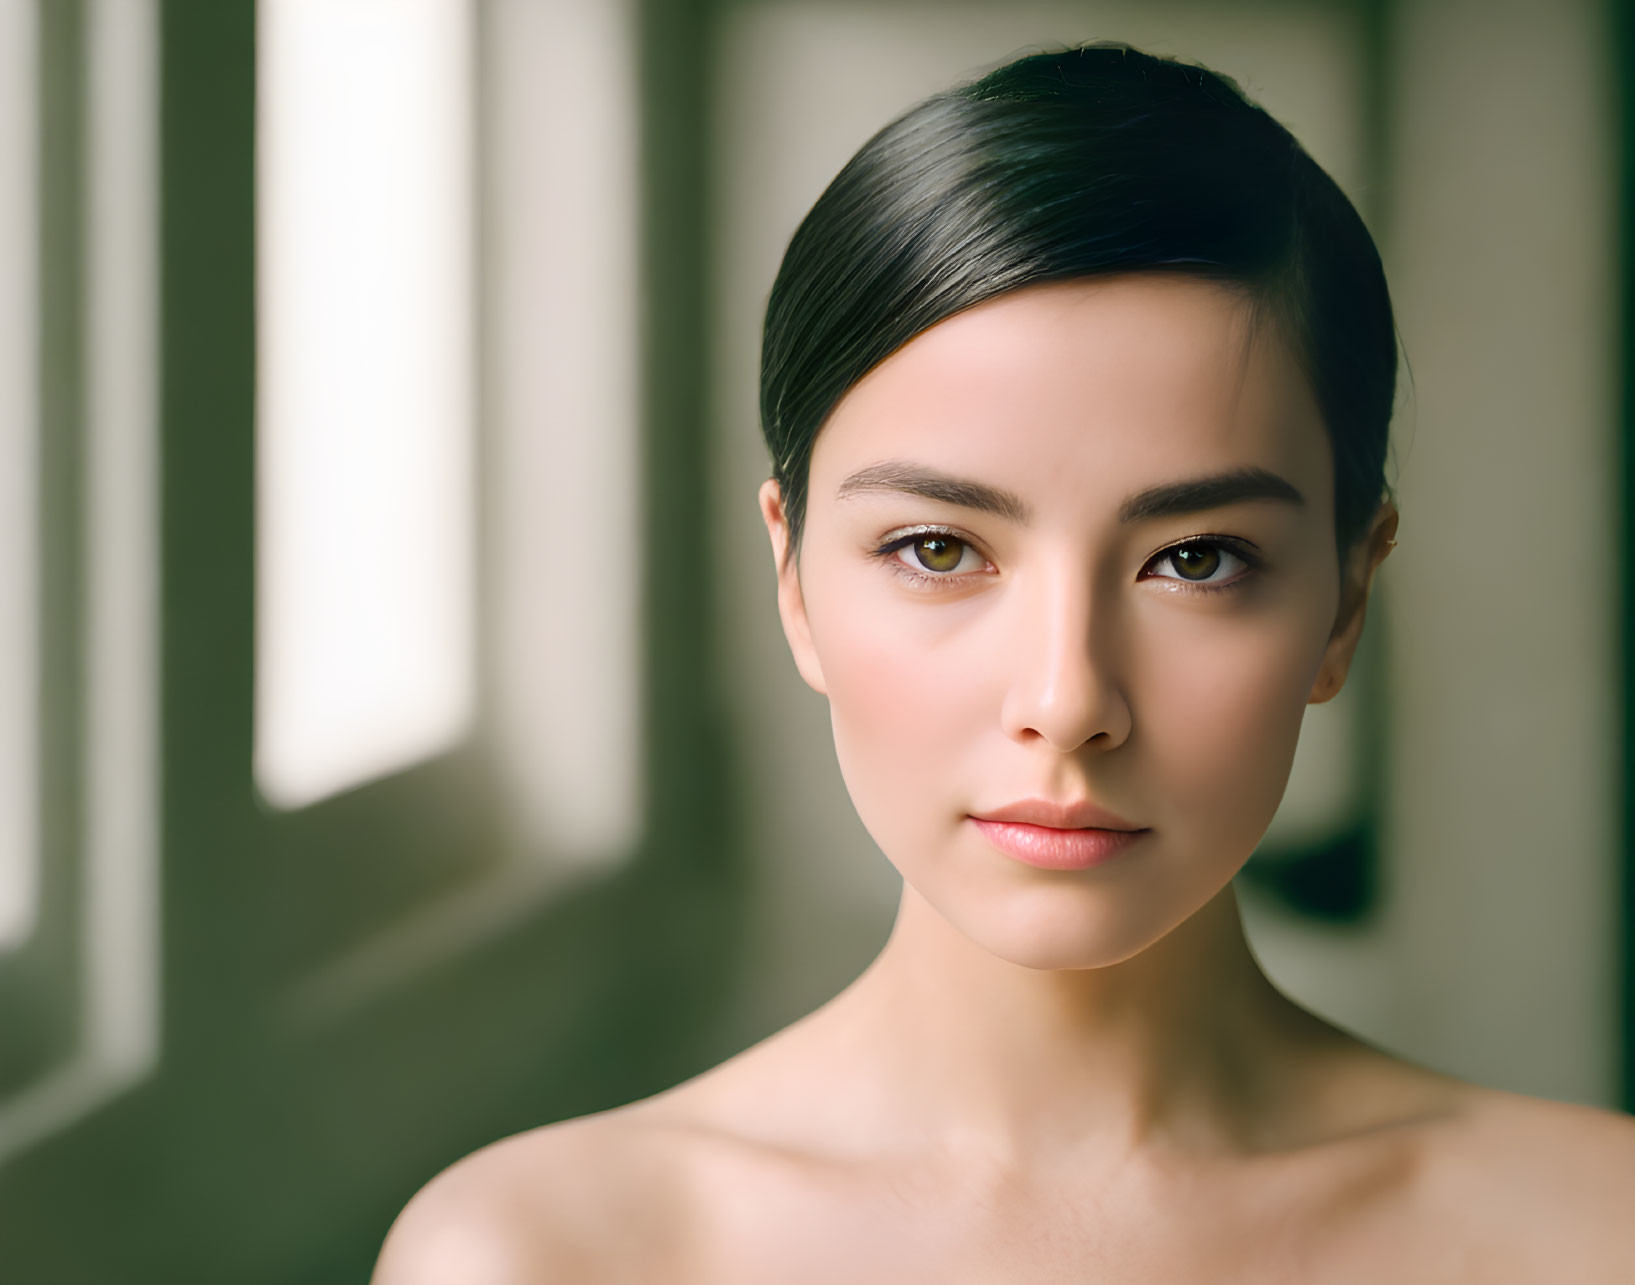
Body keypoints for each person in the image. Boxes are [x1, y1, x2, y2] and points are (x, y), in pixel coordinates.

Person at [372, 40, 1635, 1282]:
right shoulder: (542, 1256)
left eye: (1196, 560)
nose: (1067, 700)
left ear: (1346, 597)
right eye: (937, 548)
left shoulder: (1595, 1232)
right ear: (795, 579)